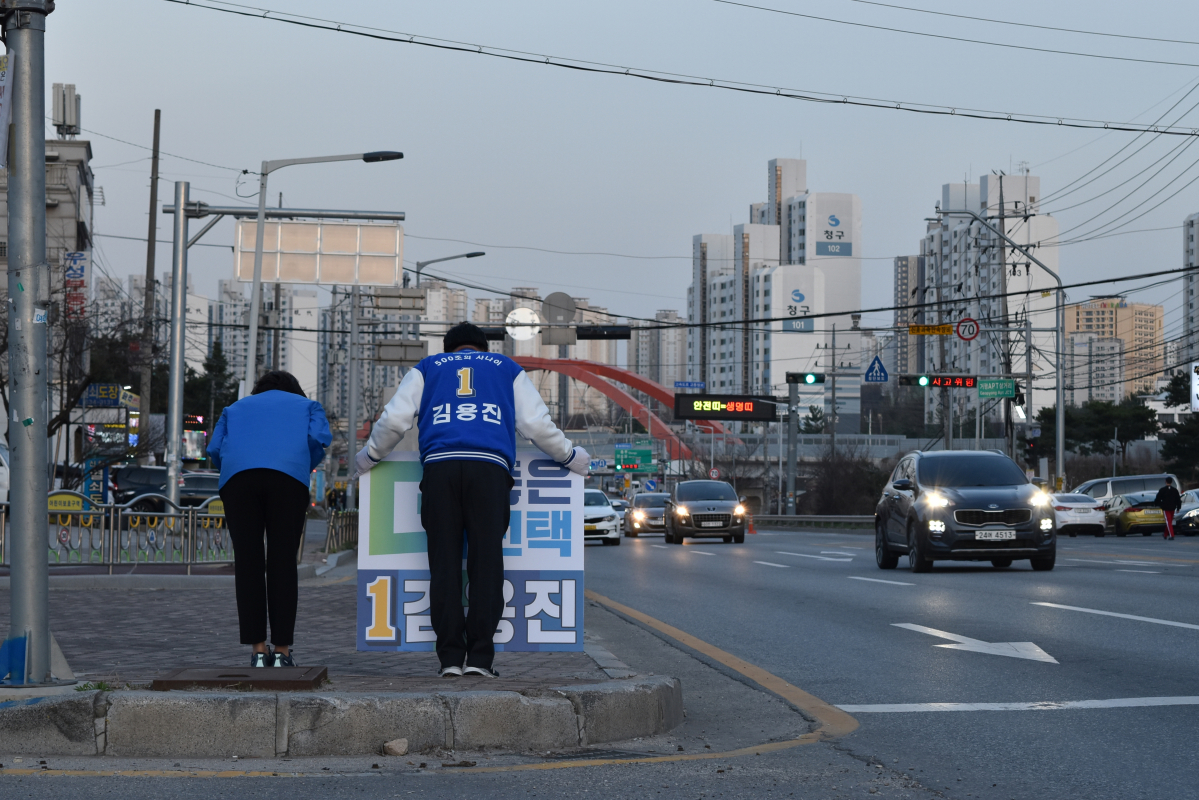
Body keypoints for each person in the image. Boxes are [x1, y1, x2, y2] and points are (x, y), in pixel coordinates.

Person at [351, 322, 589, 678]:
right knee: (486, 564)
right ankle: (480, 659)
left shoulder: (428, 367)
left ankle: (449, 659)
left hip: (440, 470)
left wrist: (369, 456)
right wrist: (570, 456)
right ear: (484, 347)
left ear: (449, 348)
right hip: (489, 471)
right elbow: (535, 424)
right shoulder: (507, 368)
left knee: (443, 565)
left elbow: (395, 419)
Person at [208, 370, 332, 667]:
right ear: (295, 390)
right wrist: (301, 463)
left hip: (238, 481)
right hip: (288, 479)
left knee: (248, 561)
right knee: (282, 560)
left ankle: (258, 651)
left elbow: (214, 448)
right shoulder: (308, 406)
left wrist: (235, 466)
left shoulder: (233, 409)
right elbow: (318, 438)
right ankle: (282, 651)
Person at [1154, 476, 1182, 540]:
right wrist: (1178, 507)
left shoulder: (1162, 490)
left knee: (1168, 522)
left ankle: (1171, 535)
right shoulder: (1175, 490)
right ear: (1171, 482)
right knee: (1169, 522)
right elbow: (1178, 499)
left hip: (1166, 508)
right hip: (1173, 507)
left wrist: (1158, 504)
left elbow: (1158, 498)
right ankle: (1166, 534)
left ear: (1165, 481)